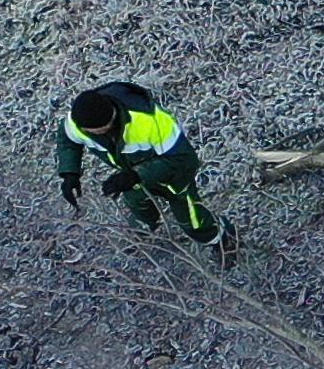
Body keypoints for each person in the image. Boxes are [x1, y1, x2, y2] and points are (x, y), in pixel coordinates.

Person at [56, 81, 232, 264]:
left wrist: (137, 174)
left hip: (175, 178)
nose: (84, 133)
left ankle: (223, 238)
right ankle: (146, 229)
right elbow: (68, 139)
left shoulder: (151, 121)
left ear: (107, 123)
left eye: (93, 131)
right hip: (133, 177)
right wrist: (70, 174)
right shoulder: (80, 121)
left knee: (194, 222)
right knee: (135, 202)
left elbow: (185, 160)